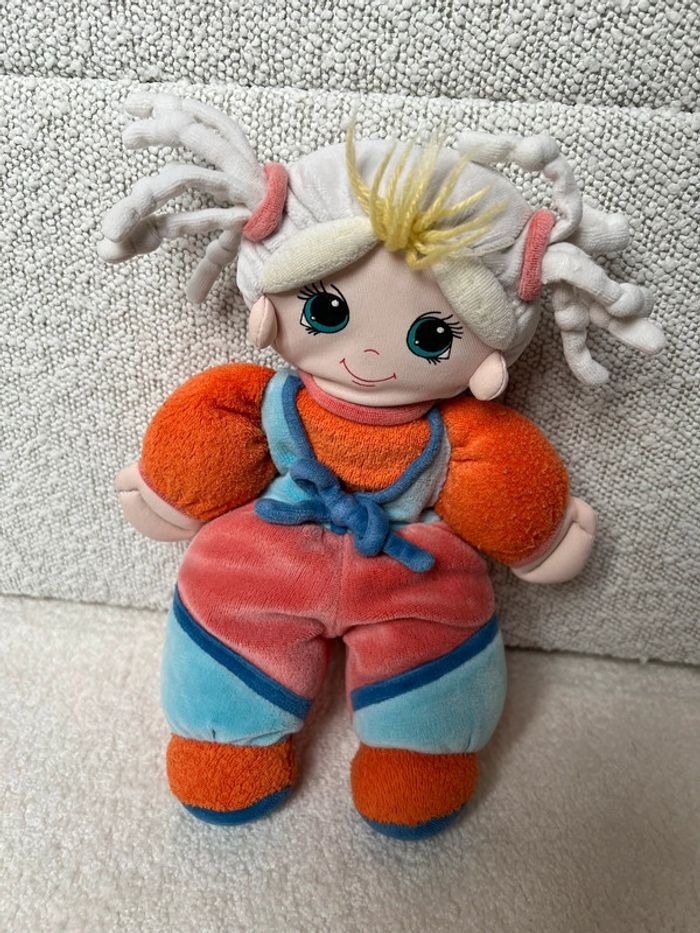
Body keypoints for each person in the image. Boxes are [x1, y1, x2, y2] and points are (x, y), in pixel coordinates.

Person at [99, 93, 664, 839]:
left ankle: (417, 752)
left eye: (434, 336)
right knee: (226, 594)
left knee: (439, 630)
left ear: (489, 353)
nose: (367, 355)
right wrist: (172, 491)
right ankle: (224, 737)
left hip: (410, 561)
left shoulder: (463, 432)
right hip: (273, 542)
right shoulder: (267, 400)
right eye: (327, 312)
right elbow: (213, 425)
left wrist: (540, 536)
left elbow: (501, 476)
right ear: (270, 303)